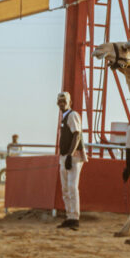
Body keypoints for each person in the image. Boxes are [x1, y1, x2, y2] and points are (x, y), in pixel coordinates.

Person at [56, 92, 85, 230]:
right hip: (65, 156)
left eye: (64, 101)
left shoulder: (72, 115)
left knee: (72, 187)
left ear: (69, 102)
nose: (62, 103)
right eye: (60, 101)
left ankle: (75, 217)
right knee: (66, 188)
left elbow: (77, 134)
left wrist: (69, 155)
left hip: (73, 157)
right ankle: (69, 216)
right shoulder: (64, 117)